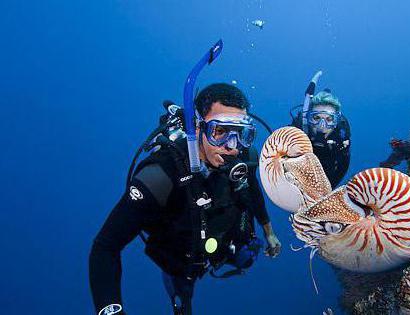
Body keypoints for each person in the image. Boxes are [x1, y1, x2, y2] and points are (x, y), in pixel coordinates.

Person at [89, 83, 282, 315]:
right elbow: (105, 247)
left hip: (220, 242)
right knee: (182, 297)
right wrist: (111, 312)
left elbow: (253, 192)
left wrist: (268, 231)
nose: (232, 147)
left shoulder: (244, 156)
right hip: (182, 258)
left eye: (241, 133)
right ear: (197, 127)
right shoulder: (160, 176)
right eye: (219, 132)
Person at [291, 87, 351, 188]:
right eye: (316, 118)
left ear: (336, 122)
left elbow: (343, 167)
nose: (321, 125)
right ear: (308, 118)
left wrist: (325, 191)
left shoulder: (341, 138)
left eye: (329, 119)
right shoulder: (299, 130)